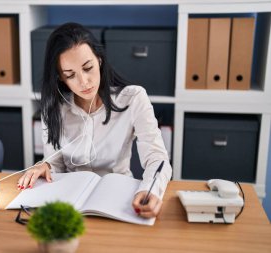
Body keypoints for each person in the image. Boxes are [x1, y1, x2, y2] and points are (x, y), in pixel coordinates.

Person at [18, 22, 172, 218]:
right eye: (70, 75)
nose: (84, 82)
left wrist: (150, 190)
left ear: (99, 60)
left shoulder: (133, 98)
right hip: (71, 201)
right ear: (60, 78)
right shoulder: (54, 107)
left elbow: (157, 158)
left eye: (88, 67)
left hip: (118, 198)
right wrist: (45, 166)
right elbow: (55, 162)